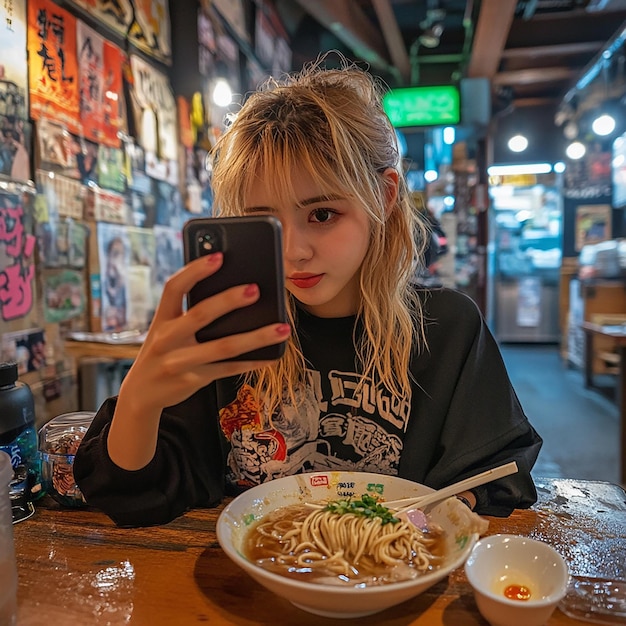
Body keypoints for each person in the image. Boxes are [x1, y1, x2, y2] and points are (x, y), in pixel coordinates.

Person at [74, 55, 542, 527]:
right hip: (254, 578)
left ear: (383, 196)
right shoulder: (233, 337)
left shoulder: (447, 329)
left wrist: (462, 502)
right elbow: (134, 491)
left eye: (322, 214)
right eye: (268, 223)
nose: (293, 252)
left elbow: (497, 468)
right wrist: (138, 400)